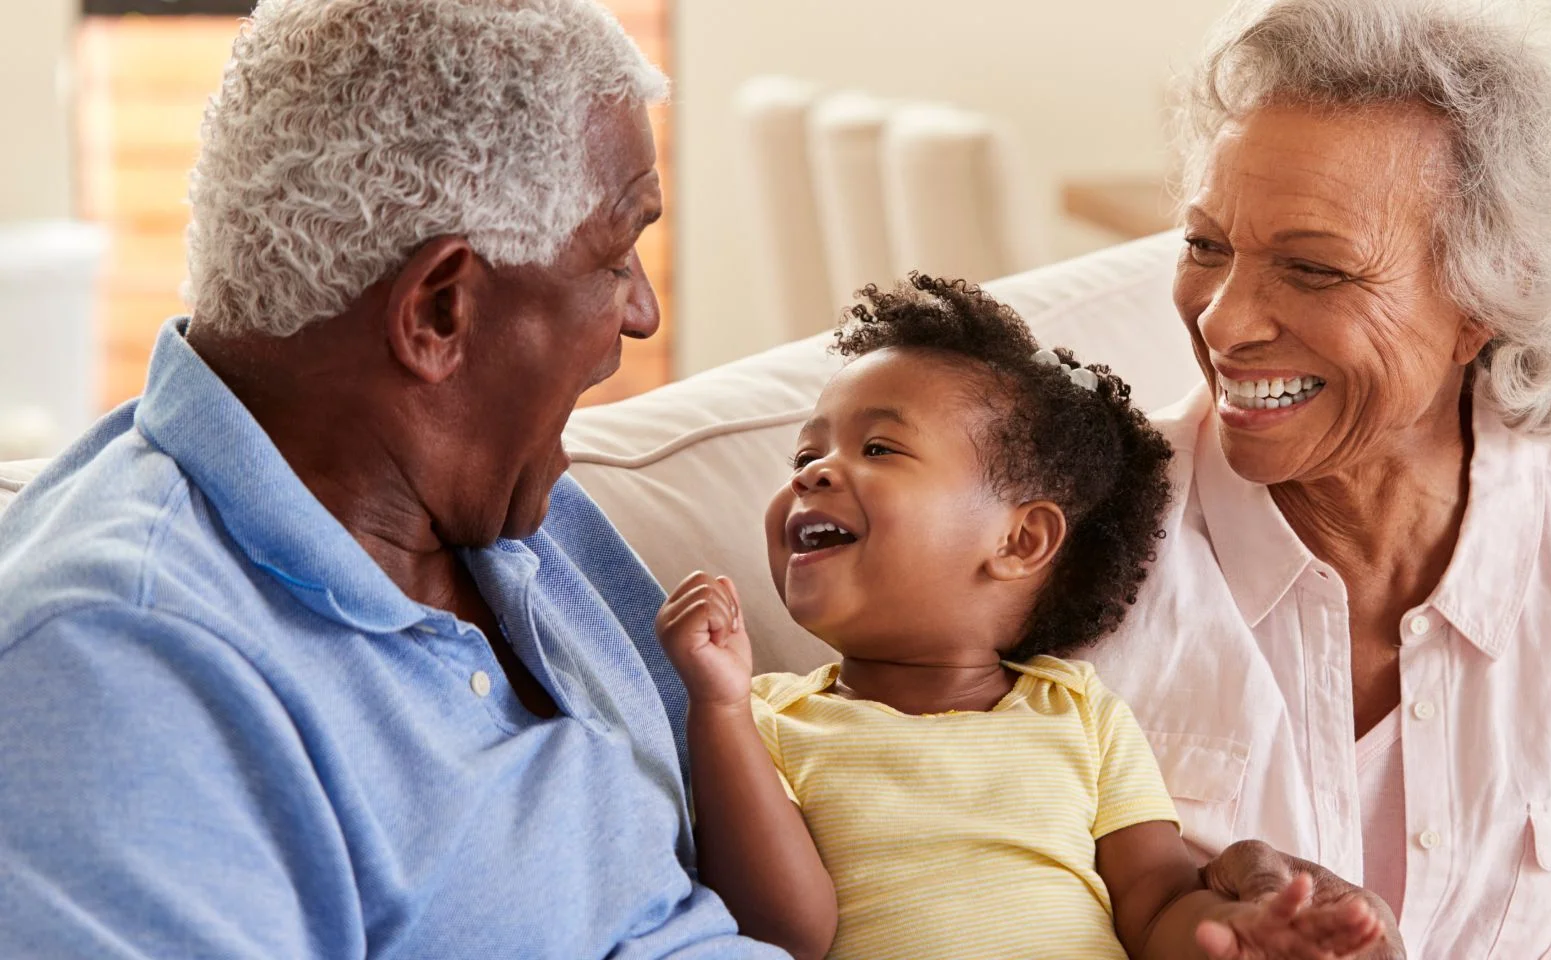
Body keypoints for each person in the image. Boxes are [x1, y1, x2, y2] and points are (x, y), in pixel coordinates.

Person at [0, 0, 781, 956]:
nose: (644, 313)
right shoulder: (117, 669)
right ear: (441, 311)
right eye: (616, 255)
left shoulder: (514, 511)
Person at [1088, 0, 1551, 956]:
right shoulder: (1073, 533)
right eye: (1206, 248)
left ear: (1486, 300)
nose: (1225, 324)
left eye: (1313, 269)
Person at [654, 275, 1393, 960]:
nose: (811, 472)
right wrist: (717, 705)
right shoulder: (763, 722)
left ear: (1020, 540)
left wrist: (1247, 932)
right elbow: (784, 933)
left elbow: (1158, 906)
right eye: (806, 454)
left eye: (878, 447)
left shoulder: (1080, 713)